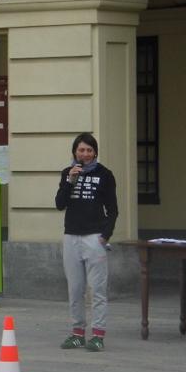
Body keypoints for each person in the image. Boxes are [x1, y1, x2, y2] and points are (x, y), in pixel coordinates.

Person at [55, 132, 118, 353]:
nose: (85, 154)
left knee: (97, 289)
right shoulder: (67, 173)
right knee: (75, 289)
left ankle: (98, 335)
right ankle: (77, 333)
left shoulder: (105, 175)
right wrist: (69, 181)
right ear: (75, 152)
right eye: (81, 150)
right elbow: (59, 204)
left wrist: (105, 235)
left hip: (94, 237)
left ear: (95, 153)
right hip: (71, 236)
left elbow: (113, 209)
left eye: (89, 150)